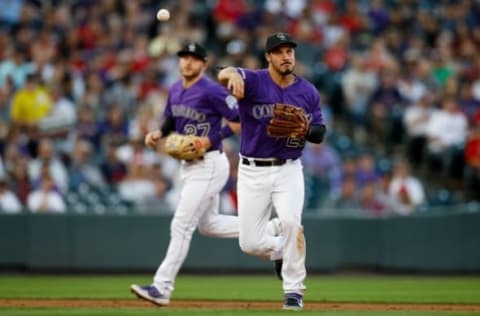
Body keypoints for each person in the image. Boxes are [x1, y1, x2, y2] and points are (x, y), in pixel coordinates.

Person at [130, 42, 280, 306]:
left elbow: (237, 120)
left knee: (181, 224)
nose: (188, 62)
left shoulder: (211, 90)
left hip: (210, 163)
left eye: (194, 58)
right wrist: (159, 133)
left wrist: (209, 141)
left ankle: (161, 287)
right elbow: (170, 119)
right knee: (208, 225)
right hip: (188, 167)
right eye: (184, 57)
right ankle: (272, 233)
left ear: (204, 64)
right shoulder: (176, 89)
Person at [217, 32, 326, 311]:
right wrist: (233, 76)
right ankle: (279, 247)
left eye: (289, 51)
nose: (286, 55)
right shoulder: (253, 80)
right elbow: (225, 72)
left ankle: (294, 290)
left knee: (292, 221)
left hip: (288, 168)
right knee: (250, 244)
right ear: (268, 56)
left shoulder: (307, 91)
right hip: (252, 170)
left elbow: (320, 132)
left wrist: (307, 129)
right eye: (279, 51)